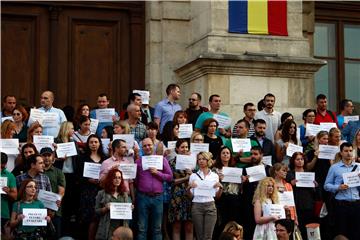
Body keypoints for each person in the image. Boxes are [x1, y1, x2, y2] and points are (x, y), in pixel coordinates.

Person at [135, 138, 173, 240]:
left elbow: (170, 177)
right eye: (145, 146)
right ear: (142, 148)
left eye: (149, 145)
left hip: (157, 198)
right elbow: (135, 180)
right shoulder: (138, 162)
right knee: (141, 228)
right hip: (142, 197)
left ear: (154, 146)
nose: (147, 147)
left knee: (157, 228)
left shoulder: (162, 160)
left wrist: (158, 173)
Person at [324, 142, 360, 240]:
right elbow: (326, 186)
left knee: (356, 232)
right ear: (341, 153)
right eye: (346, 151)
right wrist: (338, 187)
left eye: (350, 151)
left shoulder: (359, 167)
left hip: (356, 203)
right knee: (341, 231)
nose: (348, 153)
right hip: (341, 204)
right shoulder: (334, 168)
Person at [187, 151, 223, 240]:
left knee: (208, 237)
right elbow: (191, 197)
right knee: (199, 236)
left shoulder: (214, 176)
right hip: (197, 206)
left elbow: (217, 197)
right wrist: (188, 189)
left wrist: (221, 188)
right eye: (199, 159)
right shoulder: (193, 176)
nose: (201, 161)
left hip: (210, 205)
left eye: (203, 159)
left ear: (208, 160)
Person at [77, 134, 106, 240]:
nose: (94, 144)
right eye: (91, 142)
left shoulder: (104, 158)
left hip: (101, 190)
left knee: (100, 217)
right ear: (88, 144)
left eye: (96, 142)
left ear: (99, 143)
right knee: (89, 218)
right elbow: (78, 175)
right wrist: (89, 180)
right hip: (87, 191)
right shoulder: (82, 158)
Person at [212, 146, 242, 238]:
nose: (225, 155)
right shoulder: (214, 170)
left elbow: (239, 188)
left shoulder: (235, 169)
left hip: (234, 199)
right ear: (220, 155)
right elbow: (213, 186)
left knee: (233, 223)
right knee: (222, 223)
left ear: (230, 155)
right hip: (222, 199)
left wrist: (242, 180)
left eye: (227, 153)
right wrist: (219, 179)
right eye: (223, 153)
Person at [287, 152, 317, 239]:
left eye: (302, 159)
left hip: (308, 204)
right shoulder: (290, 174)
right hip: (296, 204)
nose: (300, 161)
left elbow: (315, 192)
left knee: (308, 227)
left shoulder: (309, 173)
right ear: (293, 161)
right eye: (297, 159)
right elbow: (286, 188)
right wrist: (290, 184)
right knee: (297, 228)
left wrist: (315, 186)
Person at [95, 168, 132, 240]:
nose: (117, 180)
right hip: (106, 228)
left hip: (120, 229)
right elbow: (96, 211)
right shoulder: (101, 193)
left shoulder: (124, 194)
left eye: (119, 178)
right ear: (110, 179)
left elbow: (126, 213)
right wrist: (105, 209)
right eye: (115, 178)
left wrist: (130, 209)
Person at [168, 139, 193, 240]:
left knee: (189, 227)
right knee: (177, 227)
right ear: (177, 149)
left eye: (186, 147)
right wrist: (186, 178)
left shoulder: (193, 162)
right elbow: (171, 181)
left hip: (190, 196)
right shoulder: (171, 163)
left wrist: (192, 175)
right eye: (182, 147)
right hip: (176, 196)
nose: (185, 149)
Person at [41, 147, 66, 238]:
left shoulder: (58, 172)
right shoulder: (37, 171)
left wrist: (53, 207)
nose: (47, 158)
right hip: (38, 209)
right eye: (44, 155)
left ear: (53, 157)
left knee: (55, 236)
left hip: (54, 211)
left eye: (49, 155)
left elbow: (61, 191)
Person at [0, 152, 17, 235]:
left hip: (3, 213)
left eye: (2, 165)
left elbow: (15, 196)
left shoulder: (10, 176)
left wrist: (8, 192)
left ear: (5, 164)